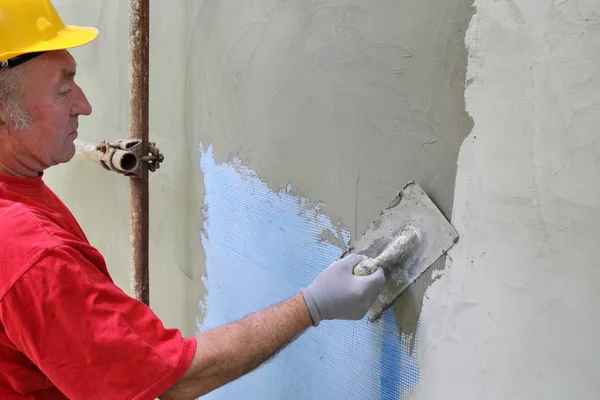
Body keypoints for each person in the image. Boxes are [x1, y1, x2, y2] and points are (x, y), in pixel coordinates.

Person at [0, 1, 385, 399]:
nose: (84, 105)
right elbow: (170, 381)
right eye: (63, 90)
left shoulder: (19, 189)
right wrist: (313, 305)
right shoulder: (29, 257)